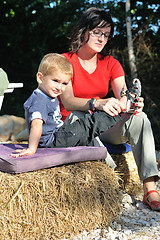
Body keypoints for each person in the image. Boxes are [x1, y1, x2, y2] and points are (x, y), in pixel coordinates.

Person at [58, 7, 160, 211]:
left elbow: (123, 95)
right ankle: (112, 189)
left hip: (103, 128)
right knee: (80, 114)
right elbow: (67, 101)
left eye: (106, 34)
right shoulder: (64, 61)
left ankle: (150, 189)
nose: (101, 38)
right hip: (75, 128)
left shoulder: (111, 64)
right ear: (84, 31)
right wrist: (97, 102)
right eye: (97, 32)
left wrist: (131, 103)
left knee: (140, 118)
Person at [11, 52, 122, 157]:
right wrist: (31, 149)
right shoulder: (39, 100)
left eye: (64, 83)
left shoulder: (47, 95)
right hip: (52, 141)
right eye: (55, 80)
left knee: (82, 126)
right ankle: (111, 115)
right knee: (85, 126)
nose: (59, 87)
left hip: (57, 133)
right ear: (40, 77)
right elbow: (36, 125)